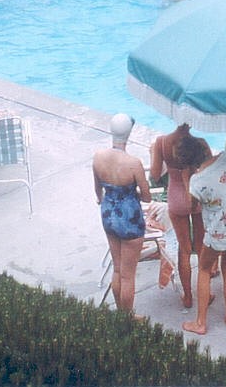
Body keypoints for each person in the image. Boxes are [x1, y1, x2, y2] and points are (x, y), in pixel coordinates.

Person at [178, 133, 226, 335]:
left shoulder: (197, 181)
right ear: (204, 148)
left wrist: (186, 180)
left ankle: (201, 322)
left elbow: (192, 205)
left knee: (204, 270)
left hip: (219, 234)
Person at [91, 113, 152, 314]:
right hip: (130, 219)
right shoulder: (134, 163)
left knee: (117, 269)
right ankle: (127, 321)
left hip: (108, 213)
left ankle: (120, 315)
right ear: (129, 133)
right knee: (128, 276)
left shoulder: (98, 157)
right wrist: (130, 192)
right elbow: (146, 197)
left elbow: (98, 192)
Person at [149, 123, 205, 309]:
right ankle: (206, 291)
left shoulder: (162, 142)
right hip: (195, 196)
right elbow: (208, 171)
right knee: (201, 246)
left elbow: (155, 175)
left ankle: (188, 296)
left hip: (175, 197)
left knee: (184, 250)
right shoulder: (200, 143)